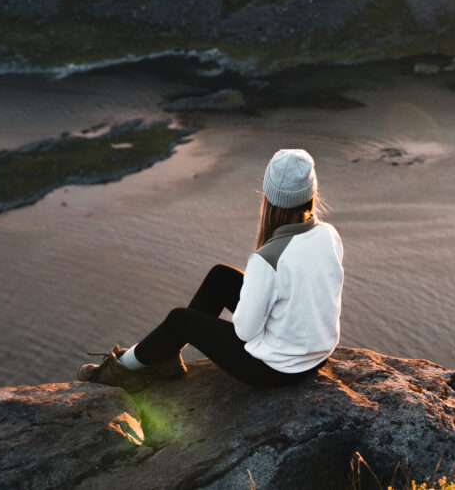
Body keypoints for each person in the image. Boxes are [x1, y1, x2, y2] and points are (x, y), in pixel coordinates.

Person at [78, 148, 344, 391]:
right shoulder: (329, 235)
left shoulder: (268, 258)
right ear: (311, 193)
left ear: (269, 197)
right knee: (221, 277)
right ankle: (167, 356)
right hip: (316, 354)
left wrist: (257, 296)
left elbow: (245, 332)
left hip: (275, 371)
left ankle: (120, 370)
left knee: (180, 320)